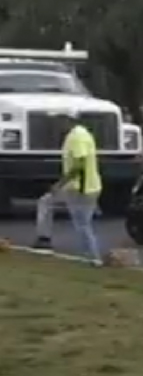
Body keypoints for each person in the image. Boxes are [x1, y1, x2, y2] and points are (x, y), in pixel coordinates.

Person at [32, 109, 104, 266]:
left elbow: (79, 164)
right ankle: (44, 238)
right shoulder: (82, 133)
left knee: (82, 224)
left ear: (67, 120)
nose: (56, 124)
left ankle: (93, 257)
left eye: (59, 120)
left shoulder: (76, 137)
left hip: (79, 188)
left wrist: (60, 183)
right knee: (46, 201)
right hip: (88, 186)